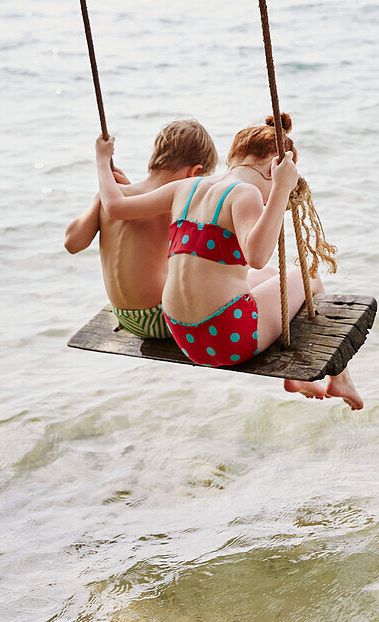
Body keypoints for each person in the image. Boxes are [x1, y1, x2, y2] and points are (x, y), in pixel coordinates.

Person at [96, 113, 363, 410]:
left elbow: (115, 206)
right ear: (273, 168)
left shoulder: (188, 186)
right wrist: (280, 190)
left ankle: (306, 379)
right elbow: (257, 256)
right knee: (308, 278)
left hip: (182, 335)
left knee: (274, 277)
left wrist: (102, 161)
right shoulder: (245, 193)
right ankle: (338, 377)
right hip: (225, 339)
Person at [65, 118, 218, 339]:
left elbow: (72, 243)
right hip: (162, 319)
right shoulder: (175, 202)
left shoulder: (111, 196)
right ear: (194, 173)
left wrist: (111, 182)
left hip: (125, 317)